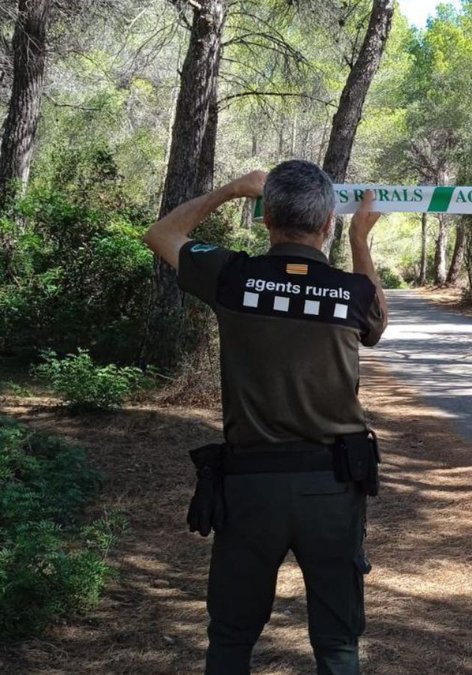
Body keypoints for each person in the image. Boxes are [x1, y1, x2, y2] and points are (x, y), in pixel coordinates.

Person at [143, 159, 388, 675]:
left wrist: (231, 190)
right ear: (328, 223)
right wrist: (360, 241)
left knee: (231, 638)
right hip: (331, 488)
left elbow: (161, 234)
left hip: (250, 489)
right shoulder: (352, 292)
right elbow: (377, 325)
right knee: (338, 642)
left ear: (266, 219)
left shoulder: (232, 276)